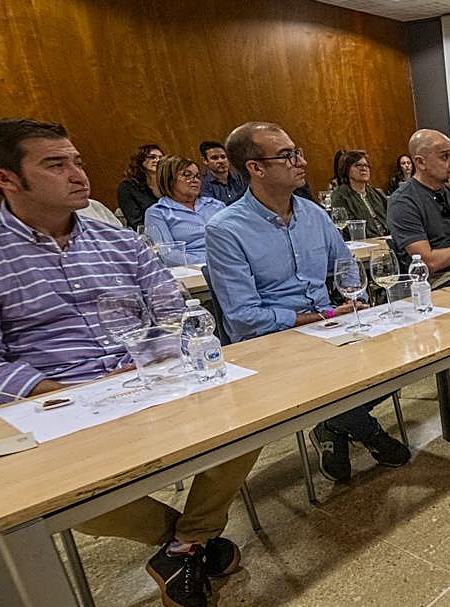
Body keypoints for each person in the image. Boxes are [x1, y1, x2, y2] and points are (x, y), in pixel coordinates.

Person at [0, 118, 258, 607]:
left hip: (144, 381)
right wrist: (58, 391)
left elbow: (175, 314)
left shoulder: (120, 242)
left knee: (250, 419)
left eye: (76, 161)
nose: (78, 174)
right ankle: (192, 540)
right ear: (5, 178)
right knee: (72, 498)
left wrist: (154, 361)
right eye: (56, 165)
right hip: (54, 401)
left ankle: (184, 545)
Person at [205, 121, 410, 485]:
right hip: (272, 345)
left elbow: (346, 269)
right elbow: (244, 319)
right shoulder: (226, 229)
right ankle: (364, 429)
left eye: (297, 152)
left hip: (329, 327)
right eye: (287, 155)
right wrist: (323, 316)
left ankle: (334, 425)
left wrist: (355, 300)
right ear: (256, 168)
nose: (300, 161)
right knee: (329, 376)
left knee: (404, 358)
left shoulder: (313, 214)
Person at [385, 129, 450, 287]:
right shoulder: (403, 202)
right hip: (441, 281)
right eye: (444, 157)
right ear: (421, 162)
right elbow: (428, 263)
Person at [143, 155, 226, 263]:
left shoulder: (216, 205)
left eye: (197, 176)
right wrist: (212, 262)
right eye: (187, 175)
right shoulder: (157, 212)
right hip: (191, 268)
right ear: (169, 179)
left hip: (230, 262)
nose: (195, 180)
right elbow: (167, 255)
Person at [332, 149, 389, 236]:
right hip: (363, 240)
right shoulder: (340, 195)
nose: (364, 169)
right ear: (346, 170)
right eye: (358, 165)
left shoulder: (377, 193)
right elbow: (345, 227)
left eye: (366, 165)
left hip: (387, 237)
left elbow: (391, 216)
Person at [116, 143, 163, 229]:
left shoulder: (168, 183)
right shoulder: (127, 187)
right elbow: (136, 222)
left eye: (161, 158)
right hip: (146, 231)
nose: (157, 160)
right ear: (140, 160)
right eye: (152, 157)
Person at [198, 140, 248, 206]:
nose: (220, 161)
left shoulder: (241, 176)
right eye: (214, 158)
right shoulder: (202, 184)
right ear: (205, 160)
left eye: (223, 157)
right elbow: (212, 208)